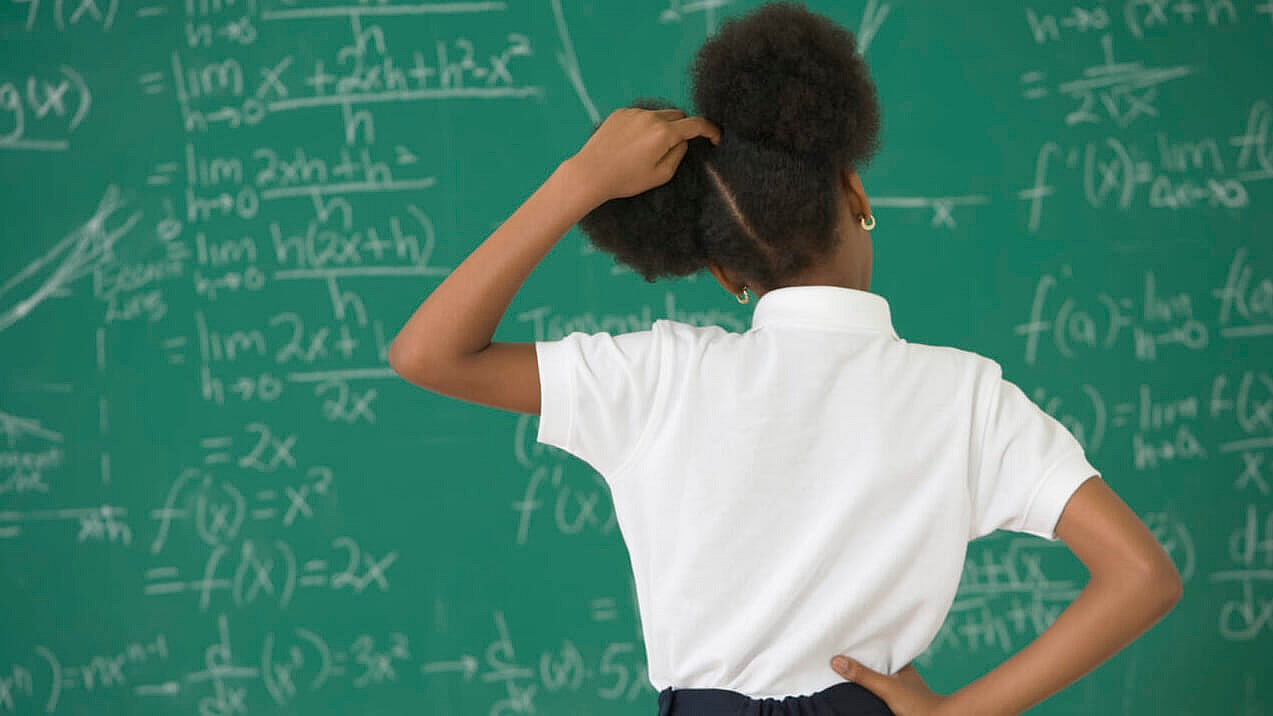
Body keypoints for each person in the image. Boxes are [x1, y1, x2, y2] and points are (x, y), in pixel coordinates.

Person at [388, 3, 1182, 714]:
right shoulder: (966, 396)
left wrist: (577, 183)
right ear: (857, 196)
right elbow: (1141, 577)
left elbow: (428, 353)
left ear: (727, 275)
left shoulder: (656, 378)